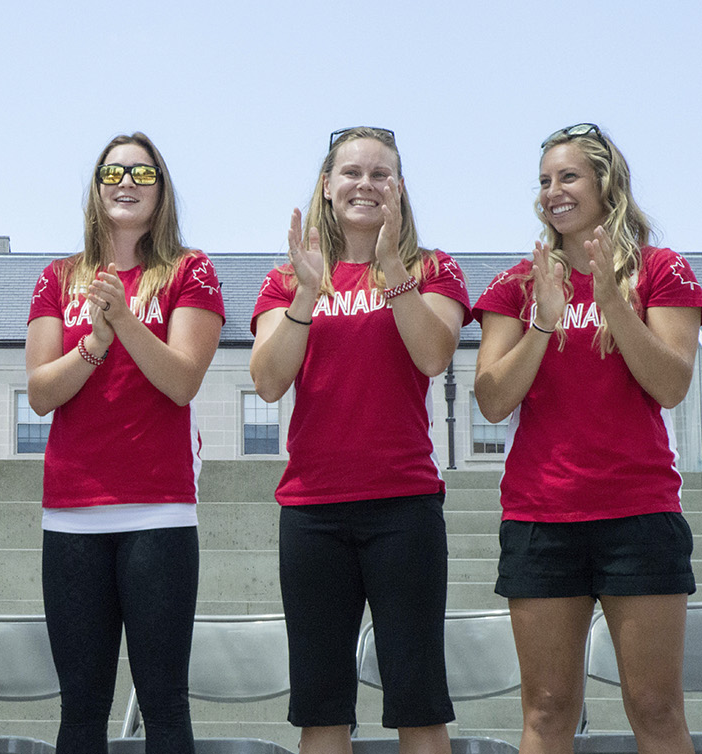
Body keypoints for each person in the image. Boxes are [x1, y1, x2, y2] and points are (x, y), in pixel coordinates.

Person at [473, 123, 699, 754]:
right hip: (541, 519)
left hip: (639, 514)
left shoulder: (661, 271)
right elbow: (491, 400)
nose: (553, 192)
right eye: (544, 181)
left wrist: (614, 302)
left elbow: (671, 384)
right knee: (547, 709)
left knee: (654, 706)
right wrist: (543, 321)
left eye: (568, 176)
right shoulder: (517, 283)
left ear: (606, 184)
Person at [249, 127, 470, 754]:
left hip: (404, 509)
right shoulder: (288, 278)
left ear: (398, 188)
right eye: (352, 172)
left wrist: (395, 271)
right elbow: (267, 381)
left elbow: (433, 356)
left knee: (418, 702)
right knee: (322, 708)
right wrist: (308, 292)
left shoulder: (433, 269)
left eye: (381, 174)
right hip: (313, 513)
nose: (365, 185)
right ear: (327, 183)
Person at [25, 132, 224, 754]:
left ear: (161, 190)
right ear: (96, 187)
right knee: (81, 707)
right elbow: (39, 392)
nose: (127, 184)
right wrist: (95, 342)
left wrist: (126, 321)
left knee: (164, 701)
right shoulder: (58, 278)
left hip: (157, 511)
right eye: (114, 173)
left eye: (142, 174)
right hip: (71, 516)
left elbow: (181, 380)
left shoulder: (190, 270)